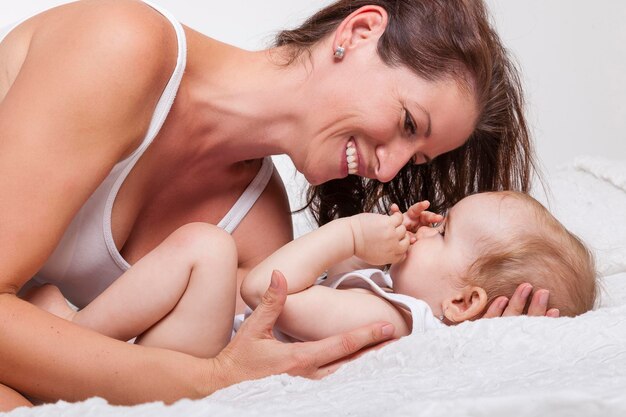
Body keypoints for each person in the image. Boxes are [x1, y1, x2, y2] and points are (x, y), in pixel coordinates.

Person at [0, 0, 554, 410]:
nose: (387, 170)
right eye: (408, 123)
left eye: (413, 162)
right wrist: (208, 380)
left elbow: (308, 355)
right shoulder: (120, 44)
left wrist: (482, 336)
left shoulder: (257, 228)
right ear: (360, 32)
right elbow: (199, 376)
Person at [241, 192, 597, 340]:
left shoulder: (390, 320)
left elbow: (264, 291)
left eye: (442, 233)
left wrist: (349, 234)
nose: (426, 227)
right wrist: (368, 253)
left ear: (462, 303)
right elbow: (336, 283)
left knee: (206, 249)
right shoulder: (391, 299)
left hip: (209, 345)